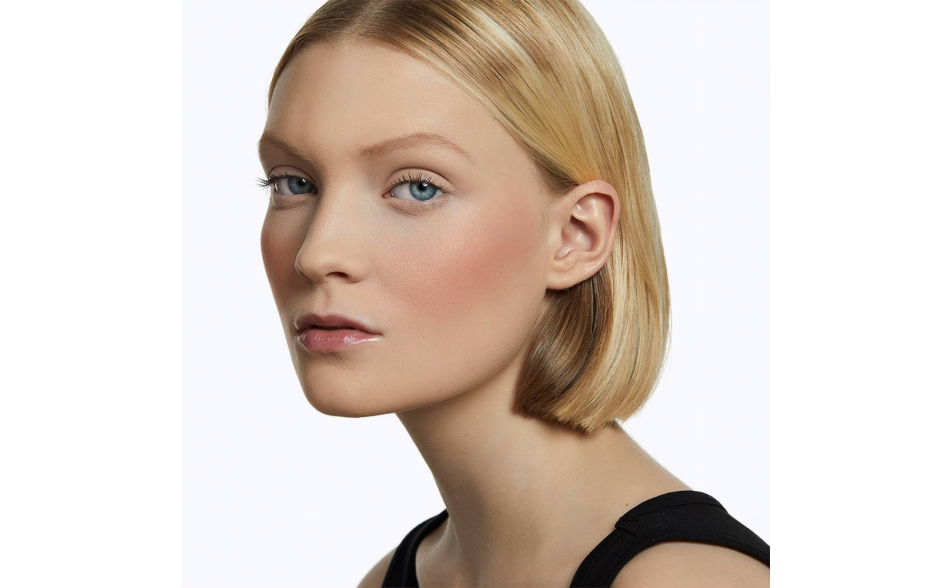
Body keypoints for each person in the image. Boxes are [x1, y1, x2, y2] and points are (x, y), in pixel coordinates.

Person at [256, 0, 769, 586]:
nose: (317, 253)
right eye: (293, 182)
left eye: (418, 187)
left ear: (575, 236)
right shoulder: (391, 578)